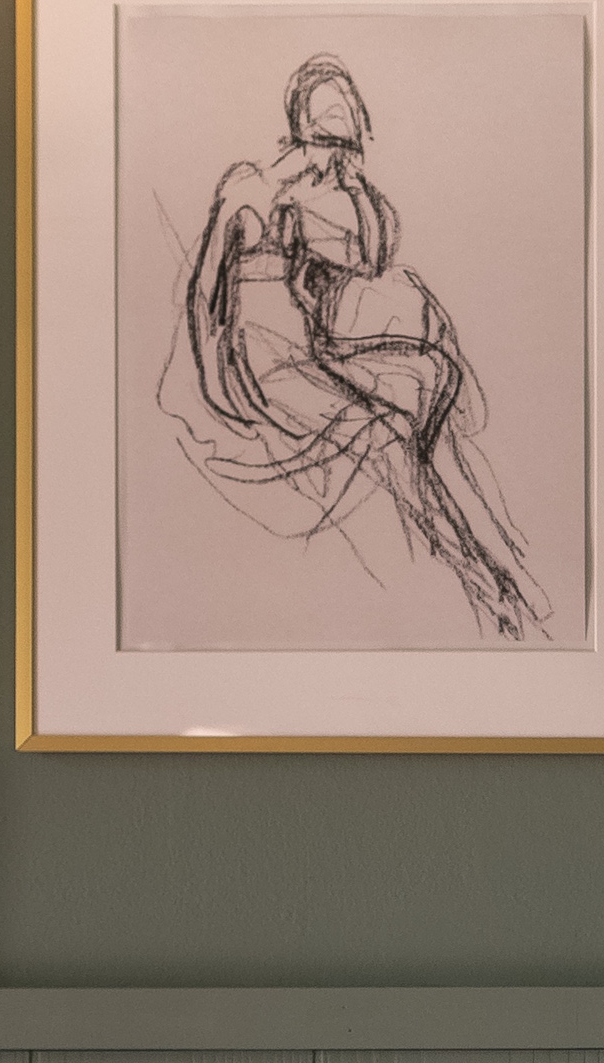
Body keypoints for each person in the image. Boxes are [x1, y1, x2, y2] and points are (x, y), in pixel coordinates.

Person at [162, 56, 550, 639]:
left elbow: (344, 269)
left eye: (345, 150)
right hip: (259, 361)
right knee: (389, 436)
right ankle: (483, 579)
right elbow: (207, 292)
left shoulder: (305, 200)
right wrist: (221, 383)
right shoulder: (247, 186)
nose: (335, 162)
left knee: (432, 379)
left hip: (306, 349)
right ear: (301, 132)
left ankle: (499, 565)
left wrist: (352, 198)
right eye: (329, 147)